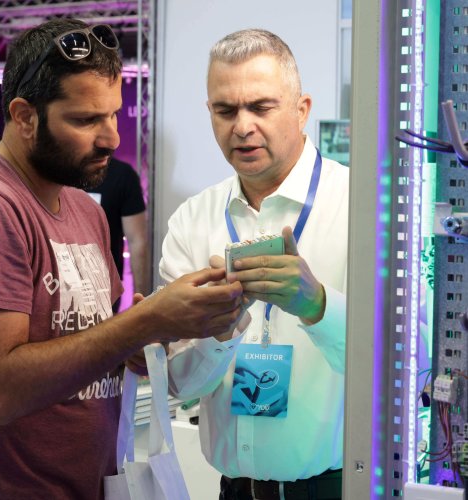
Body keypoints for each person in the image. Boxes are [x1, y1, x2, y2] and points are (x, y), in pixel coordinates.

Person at [0, 19, 244, 500]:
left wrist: (141, 341)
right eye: (86, 120)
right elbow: (0, 390)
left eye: (114, 114)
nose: (112, 138)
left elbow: (85, 349)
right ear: (25, 116)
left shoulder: (83, 208)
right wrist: (143, 322)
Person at [159, 29, 349, 500]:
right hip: (234, 491)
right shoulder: (192, 220)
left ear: (302, 110)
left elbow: (407, 364)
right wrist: (219, 333)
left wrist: (319, 307)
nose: (242, 126)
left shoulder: (361, 208)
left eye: (261, 107)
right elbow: (181, 386)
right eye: (225, 111)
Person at [87, 156, 150, 311]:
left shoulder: (122, 175)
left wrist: (141, 302)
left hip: (105, 289)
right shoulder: (56, 172)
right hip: (56, 284)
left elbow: (137, 241)